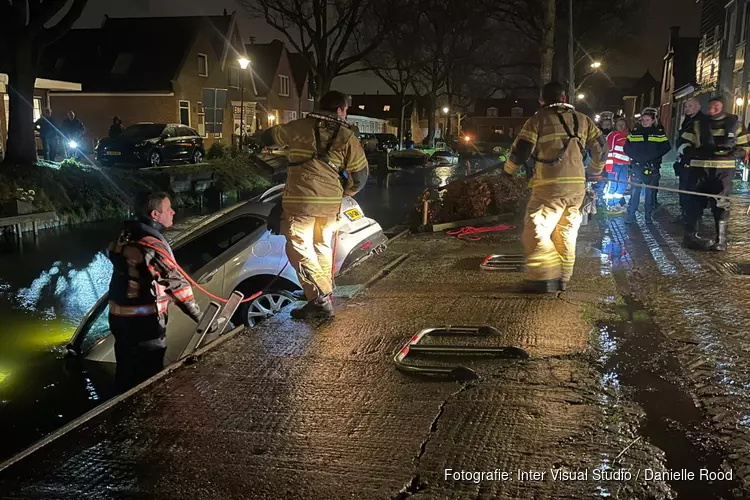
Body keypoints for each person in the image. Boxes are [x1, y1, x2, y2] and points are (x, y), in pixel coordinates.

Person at [261, 91, 369, 318]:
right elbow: (360, 176)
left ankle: (320, 297)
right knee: (321, 245)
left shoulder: (298, 128)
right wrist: (342, 192)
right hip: (330, 207)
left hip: (300, 204)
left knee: (299, 248)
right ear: (340, 110)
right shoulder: (347, 137)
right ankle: (321, 296)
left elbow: (268, 137)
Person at [503, 81, 607, 293]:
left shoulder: (538, 120)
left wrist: (508, 170)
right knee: (566, 233)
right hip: (577, 189)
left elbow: (521, 150)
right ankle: (563, 278)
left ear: (541, 100)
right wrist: (595, 171)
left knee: (535, 230)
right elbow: (601, 148)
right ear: (564, 99)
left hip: (550, 187)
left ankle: (545, 277)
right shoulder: (583, 120)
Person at [107, 192, 202, 391]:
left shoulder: (126, 235)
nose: (173, 212)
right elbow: (177, 284)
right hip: (145, 326)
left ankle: (120, 413)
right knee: (149, 380)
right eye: (168, 209)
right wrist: (200, 317)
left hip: (120, 320)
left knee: (125, 373)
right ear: (155, 215)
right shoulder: (151, 244)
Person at [680, 97, 750, 251]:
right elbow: (684, 143)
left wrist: (730, 154)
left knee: (721, 204)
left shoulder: (736, 125)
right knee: (695, 203)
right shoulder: (698, 125)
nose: (712, 109)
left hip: (723, 171)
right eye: (711, 106)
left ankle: (721, 241)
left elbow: (745, 146)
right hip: (700, 170)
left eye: (716, 106)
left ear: (723, 107)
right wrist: (695, 152)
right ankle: (691, 237)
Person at [623, 109, 671, 224]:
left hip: (652, 167)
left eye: (647, 120)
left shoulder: (658, 132)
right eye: (643, 120)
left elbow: (666, 147)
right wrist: (637, 157)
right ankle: (631, 215)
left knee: (650, 193)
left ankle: (648, 217)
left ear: (653, 120)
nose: (644, 122)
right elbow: (627, 147)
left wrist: (652, 157)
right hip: (637, 166)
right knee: (635, 192)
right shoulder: (635, 132)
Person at [673, 99, 704, 221]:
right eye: (686, 106)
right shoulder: (687, 120)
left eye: (690, 106)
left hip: (694, 162)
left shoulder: (700, 121)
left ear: (698, 107)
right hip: (684, 160)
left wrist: (687, 151)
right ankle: (685, 212)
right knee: (683, 188)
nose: (687, 108)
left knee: (692, 189)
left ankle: (693, 215)